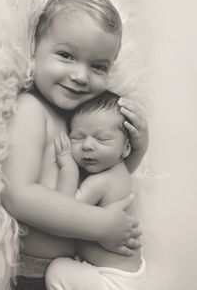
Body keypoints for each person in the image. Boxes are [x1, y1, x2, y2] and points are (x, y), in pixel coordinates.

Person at [1, 0, 148, 290]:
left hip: (75, 270)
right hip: (33, 274)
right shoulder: (31, 110)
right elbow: (18, 194)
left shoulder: (80, 117)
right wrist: (102, 225)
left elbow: (100, 183)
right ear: (35, 48)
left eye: (98, 66)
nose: (81, 76)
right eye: (66, 55)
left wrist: (136, 150)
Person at [46, 90, 146, 290]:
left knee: (57, 270)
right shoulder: (122, 172)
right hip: (129, 274)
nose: (88, 146)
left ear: (126, 148)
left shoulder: (102, 181)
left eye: (102, 139)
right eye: (77, 138)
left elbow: (66, 210)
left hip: (110, 280)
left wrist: (68, 167)